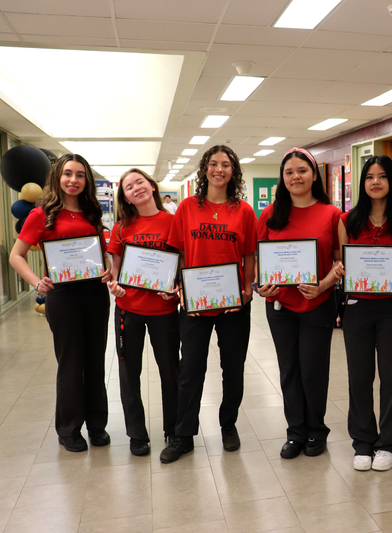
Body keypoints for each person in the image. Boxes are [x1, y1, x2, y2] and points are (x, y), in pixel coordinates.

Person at [159, 145, 256, 463]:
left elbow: (249, 255)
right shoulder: (187, 207)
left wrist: (245, 291)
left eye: (225, 164)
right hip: (196, 304)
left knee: (233, 368)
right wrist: (181, 288)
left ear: (233, 171)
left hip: (233, 307)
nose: (219, 169)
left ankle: (228, 424)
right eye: (213, 164)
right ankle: (183, 434)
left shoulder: (243, 211)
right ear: (204, 170)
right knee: (190, 370)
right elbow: (179, 252)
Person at [9, 154, 113, 453]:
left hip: (95, 293)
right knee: (71, 363)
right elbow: (16, 255)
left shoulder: (92, 212)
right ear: (57, 177)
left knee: (95, 362)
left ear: (86, 181)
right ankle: (68, 429)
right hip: (63, 297)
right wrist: (35, 282)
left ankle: (97, 425)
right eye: (68, 174)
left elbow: (100, 254)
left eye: (80, 175)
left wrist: (106, 268)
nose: (73, 180)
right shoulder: (42, 214)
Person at [256, 147, 344, 459]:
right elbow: (259, 259)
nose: (296, 177)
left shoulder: (332, 215)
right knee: (289, 369)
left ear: (314, 174)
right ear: (282, 178)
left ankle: (316, 431)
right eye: (290, 172)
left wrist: (323, 285)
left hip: (318, 304)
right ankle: (295, 433)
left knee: (313, 370)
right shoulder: (270, 214)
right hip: (280, 306)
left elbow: (341, 261)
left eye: (302, 171)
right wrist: (261, 286)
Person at [339, 155, 392, 471]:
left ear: (391, 182)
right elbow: (340, 262)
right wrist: (340, 267)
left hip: (391, 308)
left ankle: (386, 443)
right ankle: (362, 441)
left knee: (391, 377)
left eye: (382, 176)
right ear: (363, 183)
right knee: (359, 376)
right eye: (369, 176)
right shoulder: (347, 221)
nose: (375, 182)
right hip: (357, 306)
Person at [106, 169, 179, 456]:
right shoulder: (122, 228)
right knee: (128, 372)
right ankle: (137, 434)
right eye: (129, 187)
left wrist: (175, 287)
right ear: (124, 196)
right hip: (129, 309)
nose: (136, 188)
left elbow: (181, 264)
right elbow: (116, 270)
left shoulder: (173, 222)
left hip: (164, 309)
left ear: (151, 185)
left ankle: (174, 430)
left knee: (171, 371)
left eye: (140, 182)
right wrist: (116, 287)